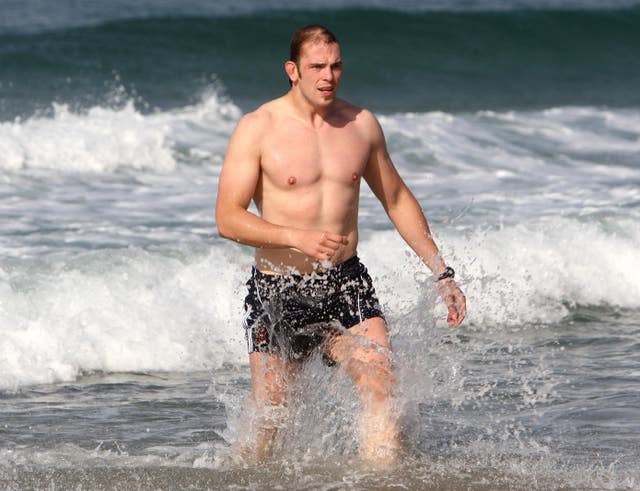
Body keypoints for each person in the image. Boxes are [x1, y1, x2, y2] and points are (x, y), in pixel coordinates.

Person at [215, 24, 466, 468]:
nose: (328, 76)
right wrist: (295, 236)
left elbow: (396, 199)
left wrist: (441, 272)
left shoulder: (360, 125)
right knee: (270, 425)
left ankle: (381, 479)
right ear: (292, 70)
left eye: (335, 66)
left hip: (346, 282)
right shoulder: (258, 128)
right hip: (279, 289)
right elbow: (227, 218)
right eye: (317, 67)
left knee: (380, 380)